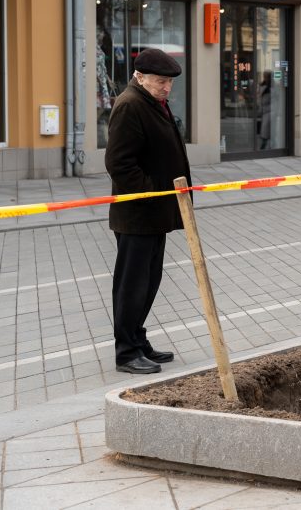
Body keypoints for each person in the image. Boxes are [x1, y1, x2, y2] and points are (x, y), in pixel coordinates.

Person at [105, 48, 191, 374]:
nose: (166, 87)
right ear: (140, 77)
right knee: (132, 283)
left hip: (155, 213)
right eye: (160, 81)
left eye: (169, 82)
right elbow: (119, 164)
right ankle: (126, 351)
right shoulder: (130, 105)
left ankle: (138, 340)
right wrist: (151, 193)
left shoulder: (152, 102)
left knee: (149, 281)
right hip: (138, 213)